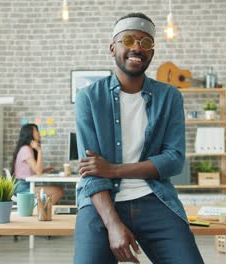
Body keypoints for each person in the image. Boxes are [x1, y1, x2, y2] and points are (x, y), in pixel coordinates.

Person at [73, 13, 203, 264]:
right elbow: (91, 174)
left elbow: (174, 160)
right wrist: (112, 225)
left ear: (151, 53)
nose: (136, 47)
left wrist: (113, 169)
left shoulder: (170, 97)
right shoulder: (89, 98)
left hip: (155, 199)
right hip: (101, 204)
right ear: (113, 48)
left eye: (145, 43)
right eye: (129, 39)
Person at [11, 123, 64, 204]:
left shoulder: (29, 149)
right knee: (58, 192)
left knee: (58, 191)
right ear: (30, 134)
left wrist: (45, 170)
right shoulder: (25, 149)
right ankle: (43, 212)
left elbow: (35, 170)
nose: (39, 133)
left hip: (27, 184)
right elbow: (38, 172)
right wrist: (39, 150)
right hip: (22, 187)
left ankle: (42, 211)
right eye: (36, 131)